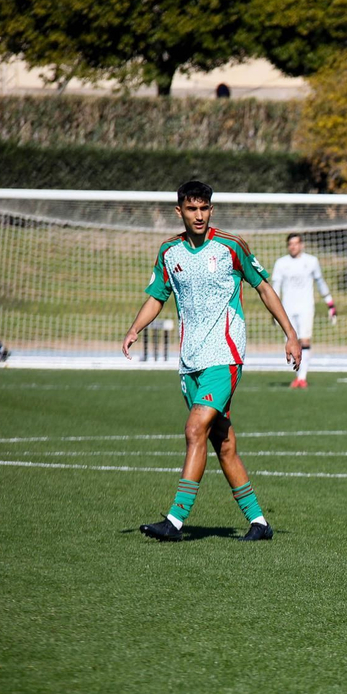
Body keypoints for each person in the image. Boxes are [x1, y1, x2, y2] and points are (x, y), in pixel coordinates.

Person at [122, 179, 302, 542]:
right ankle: (259, 523)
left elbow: (264, 287)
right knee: (223, 442)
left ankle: (174, 522)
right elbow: (158, 296)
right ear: (180, 211)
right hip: (190, 361)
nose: (199, 215)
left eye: (205, 208)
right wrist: (135, 328)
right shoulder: (169, 252)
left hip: (226, 354)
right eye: (192, 209)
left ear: (211, 210)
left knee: (194, 430)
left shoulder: (232, 246)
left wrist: (291, 334)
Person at [270, 232, 335, 389]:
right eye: (290, 244)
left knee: (305, 340)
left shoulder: (311, 261)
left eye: (296, 243)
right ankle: (298, 375)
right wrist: (273, 311)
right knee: (291, 342)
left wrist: (330, 302)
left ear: (302, 245)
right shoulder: (281, 263)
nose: (293, 246)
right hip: (287, 309)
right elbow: (275, 288)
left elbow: (320, 281)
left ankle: (302, 377)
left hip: (306, 307)